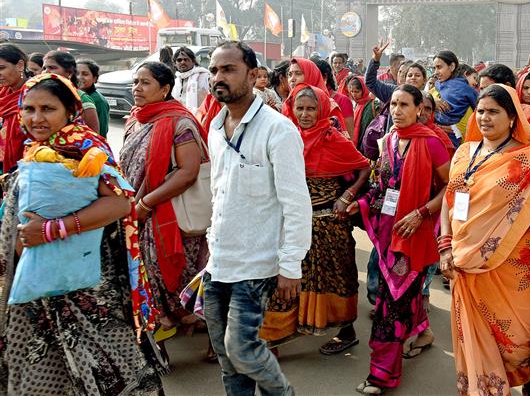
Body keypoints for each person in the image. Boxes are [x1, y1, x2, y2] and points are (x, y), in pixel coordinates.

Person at [1, 73, 164, 394]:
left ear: (69, 111)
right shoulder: (36, 150)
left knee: (109, 372)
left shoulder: (84, 151)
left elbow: (120, 202)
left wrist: (51, 230)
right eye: (29, 109)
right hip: (36, 288)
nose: (36, 118)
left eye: (48, 109)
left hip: (86, 288)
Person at [439, 84, 530, 396]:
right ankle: (488, 388)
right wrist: (444, 245)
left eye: (493, 111)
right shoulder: (464, 152)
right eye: (480, 111)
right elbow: (448, 200)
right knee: (476, 333)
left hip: (512, 267)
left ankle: (529, 378)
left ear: (512, 118)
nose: (484, 117)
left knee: (517, 335)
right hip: (464, 264)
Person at [203, 41, 311, 395]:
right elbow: (219, 193)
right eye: (215, 70)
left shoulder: (278, 130)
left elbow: (296, 203)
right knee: (224, 354)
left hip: (257, 263)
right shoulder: (216, 128)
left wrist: (290, 264)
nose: (219, 77)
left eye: (228, 70)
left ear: (253, 76)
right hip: (219, 260)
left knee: (242, 350)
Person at [348, 84, 450, 395]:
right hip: (388, 230)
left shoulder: (432, 143)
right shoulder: (388, 142)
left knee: (389, 305)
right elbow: (382, 187)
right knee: (402, 296)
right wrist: (361, 203)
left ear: (420, 108)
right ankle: (423, 332)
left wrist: (422, 213)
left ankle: (381, 375)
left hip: (414, 233)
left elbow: (452, 187)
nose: (397, 110)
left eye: (404, 104)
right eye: (393, 104)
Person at [261, 84, 370, 354]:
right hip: (294, 223)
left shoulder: (334, 139)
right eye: (300, 108)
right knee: (286, 278)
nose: (305, 114)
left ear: (322, 110)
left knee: (337, 277)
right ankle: (274, 335)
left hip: (329, 223)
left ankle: (346, 330)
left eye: (312, 108)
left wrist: (348, 194)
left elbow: (365, 166)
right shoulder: (286, 136)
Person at [120, 61, 210, 355]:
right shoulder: (137, 120)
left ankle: (201, 328)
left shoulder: (179, 122)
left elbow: (188, 172)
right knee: (147, 276)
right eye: (135, 82)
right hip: (137, 214)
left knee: (177, 275)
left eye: (145, 83)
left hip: (170, 215)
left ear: (166, 88)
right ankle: (166, 330)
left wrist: (146, 202)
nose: (137, 89)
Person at [285, 58, 348, 135]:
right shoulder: (287, 105)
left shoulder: (328, 107)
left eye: (298, 73)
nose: (292, 79)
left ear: (311, 75)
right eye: (290, 74)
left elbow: (340, 143)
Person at [42, 51, 100, 133]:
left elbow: (94, 137)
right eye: (44, 68)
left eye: (52, 68)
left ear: (69, 73)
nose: (46, 72)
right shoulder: (39, 96)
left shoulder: (82, 99)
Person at [432, 50, 478, 146]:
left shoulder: (465, 88)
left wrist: (456, 128)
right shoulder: (436, 88)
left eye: (439, 67)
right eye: (434, 68)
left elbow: (478, 107)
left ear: (452, 67)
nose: (435, 72)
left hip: (454, 137)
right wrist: (432, 102)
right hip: (435, 133)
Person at [0, 44, 30, 173]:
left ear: (20, 65)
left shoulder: (36, 93)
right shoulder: (3, 93)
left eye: (1, 68)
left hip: (27, 164)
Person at [313, 58, 355, 137]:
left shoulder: (343, 100)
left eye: (313, 76)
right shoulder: (305, 100)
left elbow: (349, 136)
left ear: (325, 77)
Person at [76, 58, 110, 137]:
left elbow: (101, 131)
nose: (79, 77)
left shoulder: (98, 100)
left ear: (94, 79)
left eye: (85, 74)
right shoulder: (74, 96)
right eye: (76, 73)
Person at [172, 46, 210, 114]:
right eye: (179, 60)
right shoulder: (176, 81)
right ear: (175, 63)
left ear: (193, 62)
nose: (182, 62)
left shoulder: (204, 76)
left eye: (186, 59)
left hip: (201, 117)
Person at [347, 75, 380, 151]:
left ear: (364, 90)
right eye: (351, 91)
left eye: (357, 92)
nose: (354, 95)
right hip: (358, 146)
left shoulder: (373, 104)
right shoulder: (356, 104)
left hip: (368, 145)